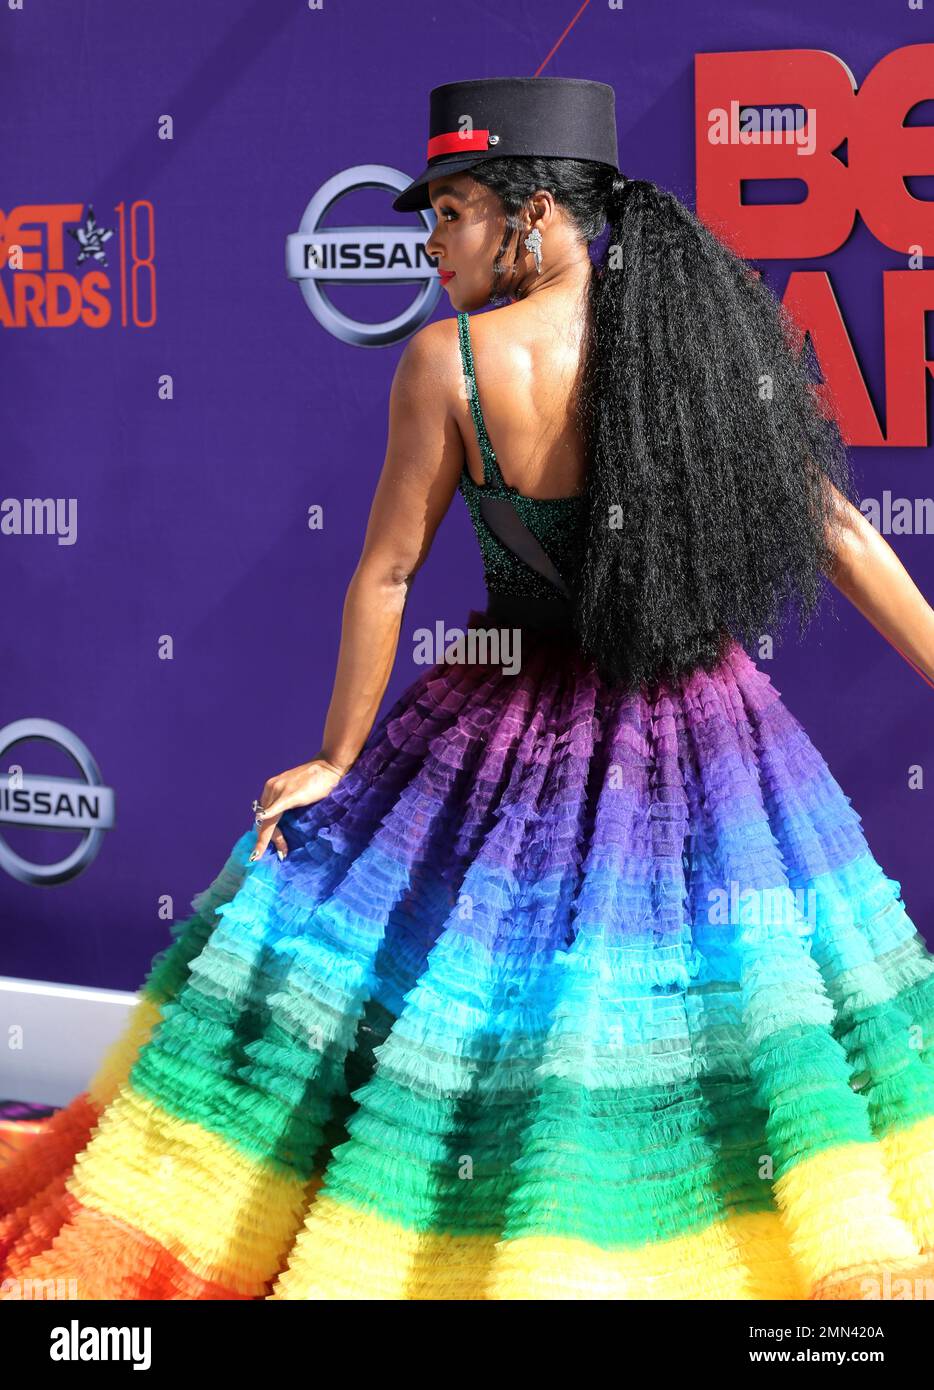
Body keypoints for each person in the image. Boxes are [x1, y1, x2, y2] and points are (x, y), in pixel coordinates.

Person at [2, 76, 934, 1303]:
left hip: (504, 723)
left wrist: (342, 754)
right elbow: (846, 538)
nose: (426, 242)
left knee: (477, 1003)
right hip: (712, 741)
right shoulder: (698, 346)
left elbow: (386, 573)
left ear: (532, 212)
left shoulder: (446, 362)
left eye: (448, 211)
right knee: (735, 1003)